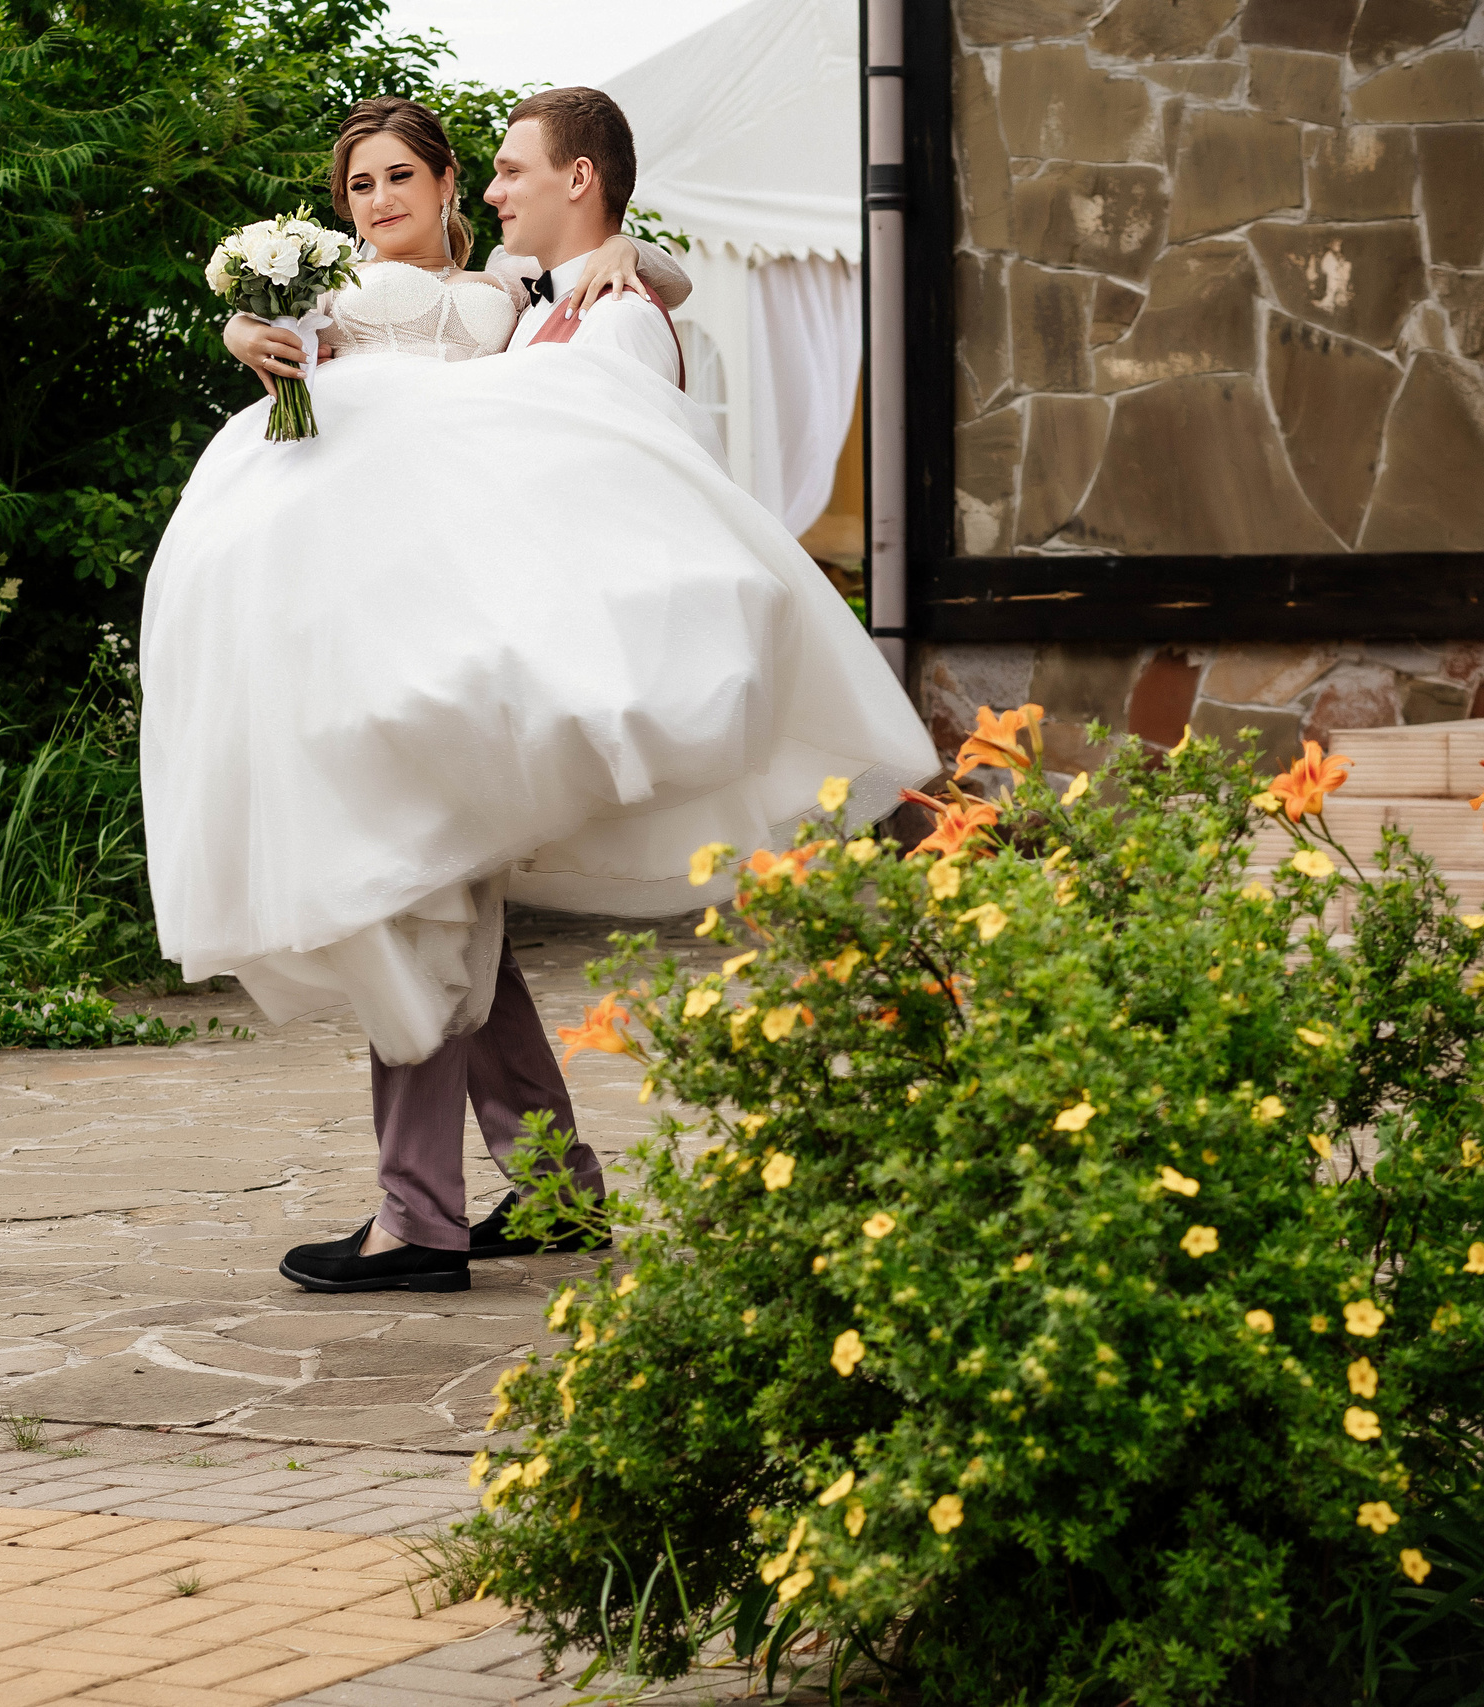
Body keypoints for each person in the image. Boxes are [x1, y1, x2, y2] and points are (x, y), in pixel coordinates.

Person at [141, 91, 938, 1295]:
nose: (384, 199)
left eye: (411, 176)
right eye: (358, 185)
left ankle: (418, 1224)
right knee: (447, 903)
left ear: (457, 184)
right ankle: (558, 1192)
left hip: (467, 634)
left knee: (414, 895)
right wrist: (245, 331)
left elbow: (592, 398)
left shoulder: (546, 306)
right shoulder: (509, 304)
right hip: (383, 618)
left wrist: (628, 257)